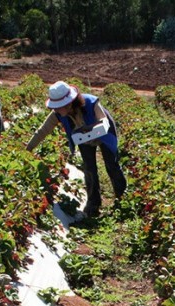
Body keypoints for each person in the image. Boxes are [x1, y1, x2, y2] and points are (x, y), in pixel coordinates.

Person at [26, 81, 127, 219]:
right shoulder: (57, 114)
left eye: (59, 106)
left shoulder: (90, 102)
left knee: (111, 164)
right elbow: (43, 130)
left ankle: (122, 198)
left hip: (104, 133)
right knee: (89, 168)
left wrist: (92, 128)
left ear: (69, 103)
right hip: (83, 137)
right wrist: (28, 148)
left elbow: (103, 120)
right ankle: (94, 204)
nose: (56, 110)